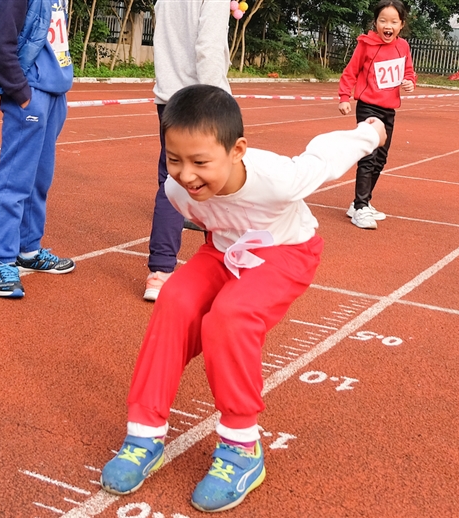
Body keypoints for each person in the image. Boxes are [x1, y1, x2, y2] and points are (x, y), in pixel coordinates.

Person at [99, 84, 386, 512]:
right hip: (224, 251)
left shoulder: (278, 180)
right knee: (174, 299)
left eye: (200, 162)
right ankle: (145, 433)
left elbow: (325, 154)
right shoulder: (178, 193)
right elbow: (214, 225)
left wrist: (371, 131)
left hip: (285, 253)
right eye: (174, 160)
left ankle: (242, 449)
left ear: (237, 151)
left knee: (229, 317)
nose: (186, 174)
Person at [0, 0, 76, 298]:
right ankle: (3, 261)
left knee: (39, 179)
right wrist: (21, 93)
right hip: (30, 93)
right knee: (14, 179)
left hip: (54, 94)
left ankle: (29, 250)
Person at [143, 0, 232, 301]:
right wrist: (216, 102)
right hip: (201, 100)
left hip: (168, 97)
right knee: (218, 182)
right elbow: (207, 48)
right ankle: (223, 269)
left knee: (170, 183)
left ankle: (159, 273)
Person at [337, 0, 416, 230]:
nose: (387, 25)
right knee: (368, 157)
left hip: (389, 109)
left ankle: (361, 202)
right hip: (368, 107)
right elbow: (350, 72)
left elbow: (409, 72)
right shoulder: (366, 45)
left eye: (393, 21)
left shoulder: (403, 47)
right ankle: (360, 208)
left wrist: (410, 82)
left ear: (401, 25)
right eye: (383, 20)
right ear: (375, 23)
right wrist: (344, 97)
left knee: (381, 158)